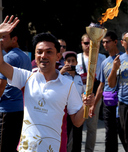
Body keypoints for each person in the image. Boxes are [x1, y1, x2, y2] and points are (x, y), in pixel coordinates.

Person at [0, 15, 94, 152]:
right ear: (35, 56)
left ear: (57, 56)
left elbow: (77, 121)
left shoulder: (68, 86)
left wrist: (86, 106)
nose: (43, 56)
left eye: (49, 52)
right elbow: (1, 64)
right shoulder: (26, 77)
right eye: (39, 52)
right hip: (26, 149)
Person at [91, 31, 126, 152]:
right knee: (109, 135)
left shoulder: (125, 59)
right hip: (108, 103)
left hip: (122, 102)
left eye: (107, 42)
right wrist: (94, 105)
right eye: (103, 42)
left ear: (116, 42)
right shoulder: (104, 62)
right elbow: (101, 85)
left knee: (124, 133)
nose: (105, 45)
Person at [0, 23, 32, 151]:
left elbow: (1, 87)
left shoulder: (9, 57)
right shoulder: (24, 56)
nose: (1, 40)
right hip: (20, 109)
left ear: (14, 39)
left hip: (7, 111)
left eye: (4, 37)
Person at [76, 33, 106, 152]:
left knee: (92, 127)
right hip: (78, 95)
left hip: (95, 94)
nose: (89, 46)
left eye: (91, 43)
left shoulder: (102, 57)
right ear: (82, 44)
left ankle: (89, 150)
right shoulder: (77, 57)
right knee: (76, 125)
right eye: (86, 43)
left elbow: (103, 80)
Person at [60, 51, 85, 152]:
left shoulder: (79, 77)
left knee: (77, 136)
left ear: (76, 62)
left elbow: (82, 91)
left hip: (78, 110)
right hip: (65, 111)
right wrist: (61, 71)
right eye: (68, 61)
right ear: (65, 62)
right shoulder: (61, 75)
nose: (70, 63)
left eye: (73, 61)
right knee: (65, 136)